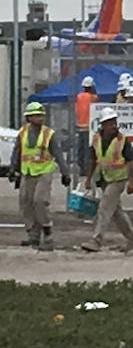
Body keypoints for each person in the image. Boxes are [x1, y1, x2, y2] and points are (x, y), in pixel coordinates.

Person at [9, 102, 71, 250]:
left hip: (44, 171)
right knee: (26, 203)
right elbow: (17, 152)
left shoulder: (49, 134)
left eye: (41, 115)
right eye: (36, 115)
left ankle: (47, 230)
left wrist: (65, 172)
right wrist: (13, 170)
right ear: (28, 118)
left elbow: (57, 154)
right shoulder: (23, 133)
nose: (40, 118)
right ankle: (33, 235)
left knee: (40, 201)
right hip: (27, 172)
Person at [82, 107, 133, 252]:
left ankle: (96, 240)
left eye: (114, 122)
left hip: (118, 179)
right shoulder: (96, 139)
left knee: (104, 208)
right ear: (103, 124)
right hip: (104, 179)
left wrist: (132, 181)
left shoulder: (122, 140)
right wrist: (88, 179)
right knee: (116, 212)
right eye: (109, 122)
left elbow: (132, 161)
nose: (113, 125)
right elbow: (93, 160)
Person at [75, 76, 99, 174]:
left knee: (81, 149)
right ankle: (87, 169)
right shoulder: (94, 97)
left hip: (80, 125)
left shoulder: (79, 96)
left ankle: (81, 168)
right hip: (89, 127)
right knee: (88, 149)